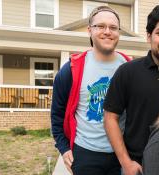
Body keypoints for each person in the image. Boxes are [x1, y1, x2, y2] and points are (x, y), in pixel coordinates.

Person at [103, 4, 159, 175]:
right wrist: (126, 162)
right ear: (149, 36)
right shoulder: (127, 72)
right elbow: (110, 118)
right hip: (137, 167)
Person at [51, 6, 131, 175]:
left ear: (119, 32)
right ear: (89, 30)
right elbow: (57, 115)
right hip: (85, 154)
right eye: (100, 26)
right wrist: (64, 148)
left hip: (122, 154)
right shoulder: (72, 69)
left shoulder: (129, 68)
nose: (107, 31)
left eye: (113, 27)